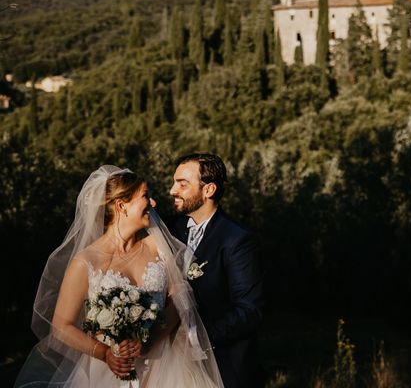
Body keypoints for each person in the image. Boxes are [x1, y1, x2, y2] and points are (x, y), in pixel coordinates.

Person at [15, 165, 224, 387]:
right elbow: (61, 326)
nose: (153, 204)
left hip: (166, 366)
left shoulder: (157, 246)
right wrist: (106, 353)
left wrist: (149, 340)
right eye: (145, 196)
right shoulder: (86, 261)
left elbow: (179, 297)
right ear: (121, 205)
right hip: (107, 371)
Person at [170, 153, 265, 388]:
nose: (173, 190)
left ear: (208, 190)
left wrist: (196, 336)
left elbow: (249, 311)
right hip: (173, 365)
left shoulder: (237, 239)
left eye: (182, 184)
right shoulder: (173, 229)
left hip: (223, 367)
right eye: (174, 182)